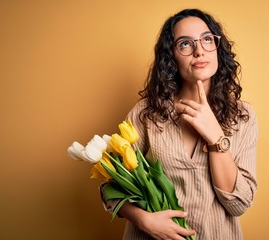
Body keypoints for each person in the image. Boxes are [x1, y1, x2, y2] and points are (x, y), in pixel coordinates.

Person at [102, 8, 258, 240]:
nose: (199, 51)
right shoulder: (146, 113)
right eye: (185, 44)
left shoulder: (243, 116)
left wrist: (216, 137)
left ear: (218, 48)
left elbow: (239, 204)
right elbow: (109, 188)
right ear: (171, 56)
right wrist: (143, 220)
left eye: (207, 40)